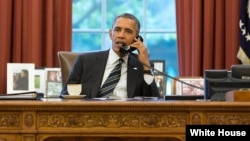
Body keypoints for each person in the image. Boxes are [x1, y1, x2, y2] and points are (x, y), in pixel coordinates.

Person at [61, 13, 160, 98]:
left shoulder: (141, 65)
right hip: (91, 115)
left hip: (127, 116)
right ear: (110, 34)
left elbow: (154, 101)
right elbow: (65, 95)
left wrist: (146, 66)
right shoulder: (85, 61)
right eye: (117, 29)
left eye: (128, 31)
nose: (121, 35)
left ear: (137, 39)